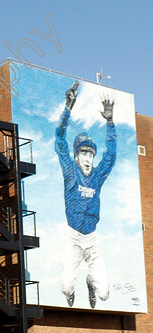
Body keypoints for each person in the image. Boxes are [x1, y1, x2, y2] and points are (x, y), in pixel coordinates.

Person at [56, 80, 116, 309]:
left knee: (104, 294)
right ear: (77, 156)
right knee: (65, 287)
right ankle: (72, 289)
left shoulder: (98, 176)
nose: (89, 159)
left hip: (91, 239)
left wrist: (110, 121)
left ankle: (91, 281)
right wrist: (67, 108)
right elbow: (60, 140)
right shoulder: (70, 172)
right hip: (72, 238)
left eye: (91, 154)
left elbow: (111, 155)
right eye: (84, 154)